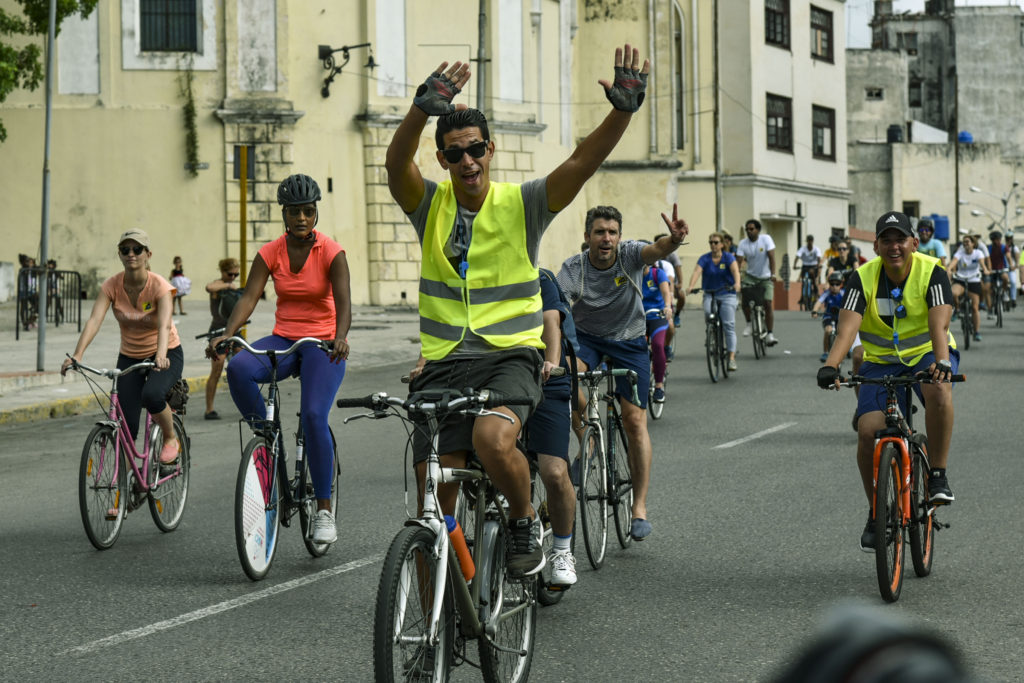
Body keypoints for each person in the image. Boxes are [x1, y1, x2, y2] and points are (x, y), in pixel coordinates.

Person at [385, 44, 650, 575]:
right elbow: (395, 165)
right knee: (433, 495)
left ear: (490, 149)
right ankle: (438, 616)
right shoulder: (429, 205)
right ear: (442, 159)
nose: (467, 161)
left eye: (476, 149)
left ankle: (526, 518)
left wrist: (621, 112)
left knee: (491, 437)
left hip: (511, 357)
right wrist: (420, 112)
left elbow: (580, 163)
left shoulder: (521, 204)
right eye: (455, 153)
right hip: (444, 363)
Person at [209, 174, 351, 546]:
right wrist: (228, 333)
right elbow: (249, 297)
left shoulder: (332, 252)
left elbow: (344, 303)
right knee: (239, 367)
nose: (301, 218)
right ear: (284, 214)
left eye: (308, 211)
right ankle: (266, 434)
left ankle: (323, 511)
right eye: (294, 212)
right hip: (285, 338)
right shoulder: (271, 251)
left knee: (316, 417)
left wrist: (340, 337)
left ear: (315, 212)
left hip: (322, 343)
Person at [817, 211, 957, 552]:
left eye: (900, 239)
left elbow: (939, 325)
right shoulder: (861, 278)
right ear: (877, 245)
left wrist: (940, 363)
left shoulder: (932, 271)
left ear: (913, 242)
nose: (894, 247)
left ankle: (937, 472)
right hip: (879, 362)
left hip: (927, 353)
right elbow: (847, 328)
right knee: (867, 433)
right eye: (886, 240)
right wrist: (831, 365)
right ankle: (877, 513)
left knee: (938, 390)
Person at [557, 204, 689, 542]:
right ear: (587, 237)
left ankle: (639, 508)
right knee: (563, 375)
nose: (606, 238)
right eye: (599, 232)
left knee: (634, 421)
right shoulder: (573, 268)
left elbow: (656, 249)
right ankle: (586, 441)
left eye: (612, 232)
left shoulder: (630, 255)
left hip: (629, 341)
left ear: (619, 236)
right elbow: (558, 310)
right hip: (588, 340)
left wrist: (673, 240)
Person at [61, 229, 183, 468]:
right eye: (125, 250)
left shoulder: (159, 285)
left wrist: (160, 355)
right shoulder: (111, 285)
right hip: (129, 356)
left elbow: (164, 324)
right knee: (125, 426)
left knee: (152, 395)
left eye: (137, 249)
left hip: (165, 352)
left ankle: (170, 437)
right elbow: (94, 320)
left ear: (148, 254)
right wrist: (77, 355)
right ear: (119, 254)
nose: (131, 254)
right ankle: (126, 492)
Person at [529, 268, 580, 587]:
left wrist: (551, 360)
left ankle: (562, 549)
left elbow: (551, 321)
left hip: (546, 376)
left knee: (554, 473)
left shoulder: (539, 279)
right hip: (499, 375)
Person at [686, 230, 741, 370]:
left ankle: (731, 358)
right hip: (710, 293)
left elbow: (735, 271)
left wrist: (737, 283)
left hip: (727, 293)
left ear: (722, 244)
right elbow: (697, 271)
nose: (713, 245)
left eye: (716, 242)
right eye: (711, 242)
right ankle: (711, 333)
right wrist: (691, 286)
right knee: (708, 313)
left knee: (728, 325)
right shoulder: (705, 258)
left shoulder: (728, 257)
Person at [202, 257, 241, 420]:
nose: (233, 278)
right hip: (218, 332)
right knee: (216, 371)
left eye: (235, 275)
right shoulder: (218, 286)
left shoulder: (232, 287)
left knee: (244, 365)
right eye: (230, 274)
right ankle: (209, 409)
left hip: (234, 331)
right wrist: (227, 285)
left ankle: (250, 404)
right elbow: (209, 287)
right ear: (223, 272)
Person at [737, 218, 779, 345]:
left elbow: (771, 257)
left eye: (751, 229)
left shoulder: (766, 239)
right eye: (747, 229)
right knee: (745, 301)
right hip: (750, 276)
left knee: (767, 303)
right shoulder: (742, 244)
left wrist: (773, 274)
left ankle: (770, 334)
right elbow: (738, 263)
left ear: (758, 230)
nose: (749, 231)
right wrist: (737, 280)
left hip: (766, 277)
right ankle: (749, 324)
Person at [641, 262, 673, 400]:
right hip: (638, 318)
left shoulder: (657, 273)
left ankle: (659, 386)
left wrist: (667, 306)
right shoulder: (630, 275)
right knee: (635, 347)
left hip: (657, 315)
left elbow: (666, 292)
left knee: (658, 345)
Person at [947, 233, 987, 342]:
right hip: (960, 279)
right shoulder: (960, 252)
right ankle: (958, 309)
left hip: (974, 280)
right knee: (953, 293)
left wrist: (986, 270)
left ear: (973, 244)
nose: (966, 244)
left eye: (968, 242)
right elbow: (953, 262)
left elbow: (982, 264)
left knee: (975, 308)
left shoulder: (978, 253)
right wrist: (949, 269)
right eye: (964, 242)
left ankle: (977, 331)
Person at [653, 232, 684, 340]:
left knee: (681, 295)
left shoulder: (672, 256)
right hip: (655, 285)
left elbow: (678, 270)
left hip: (670, 284)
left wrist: (679, 284)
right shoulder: (653, 256)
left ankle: (677, 315)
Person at [811, 271, 846, 363]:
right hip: (828, 316)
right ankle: (826, 352)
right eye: (832, 284)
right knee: (828, 331)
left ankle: (845, 349)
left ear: (841, 285)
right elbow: (819, 302)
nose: (834, 286)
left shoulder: (844, 293)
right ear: (829, 284)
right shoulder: (826, 293)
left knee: (843, 333)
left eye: (837, 284)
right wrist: (814, 310)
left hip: (841, 317)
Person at [983, 230, 1011, 314]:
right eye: (995, 240)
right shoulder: (989, 248)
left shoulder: (1004, 247)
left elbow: (1008, 257)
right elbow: (985, 259)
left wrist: (1011, 265)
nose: (997, 241)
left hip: (1001, 269)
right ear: (992, 240)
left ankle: (1004, 291)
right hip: (991, 271)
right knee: (987, 288)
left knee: (1005, 278)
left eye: (998, 239)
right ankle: (990, 309)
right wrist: (986, 269)